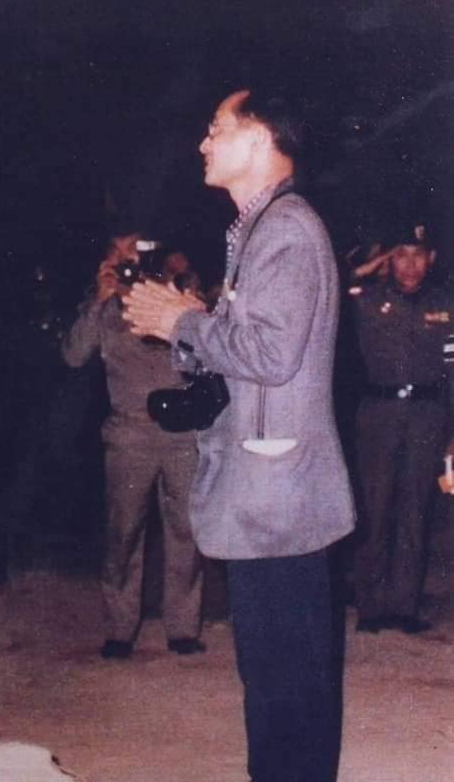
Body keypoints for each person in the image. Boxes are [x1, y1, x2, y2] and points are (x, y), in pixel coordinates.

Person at [123, 89, 356, 782]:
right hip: (268, 492)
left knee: (286, 680)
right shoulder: (261, 227)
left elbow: (274, 355)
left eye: (215, 129)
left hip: (278, 496)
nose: (203, 143)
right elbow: (251, 347)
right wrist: (192, 322)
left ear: (258, 140)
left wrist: (182, 323)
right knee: (279, 675)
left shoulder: (285, 229)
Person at [61, 232, 204, 659]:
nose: (128, 263)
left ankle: (183, 627)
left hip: (181, 434)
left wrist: (183, 297)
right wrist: (98, 299)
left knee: (186, 531)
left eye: (135, 254)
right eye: (118, 255)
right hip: (129, 435)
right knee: (123, 534)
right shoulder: (105, 308)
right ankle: (120, 628)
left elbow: (202, 356)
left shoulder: (172, 297)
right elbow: (73, 355)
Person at [351, 225, 453, 634]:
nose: (410, 265)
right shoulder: (366, 298)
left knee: (415, 509)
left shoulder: (445, 304)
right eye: (401, 255)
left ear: (431, 259)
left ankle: (404, 606)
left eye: (418, 255)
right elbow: (336, 282)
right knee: (374, 508)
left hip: (427, 414)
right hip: (378, 412)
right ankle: (371, 606)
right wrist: (370, 263)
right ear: (388, 259)